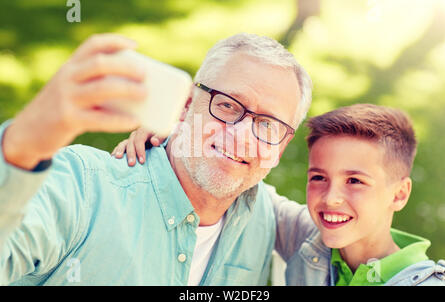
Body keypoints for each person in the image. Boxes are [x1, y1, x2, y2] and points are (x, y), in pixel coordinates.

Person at [0, 32, 313, 285]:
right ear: (187, 104)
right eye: (228, 105)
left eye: (267, 125)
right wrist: (25, 144)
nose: (243, 135)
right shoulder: (83, 188)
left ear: (281, 147)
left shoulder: (264, 216)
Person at [115, 104, 445, 286]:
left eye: (355, 181)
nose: (330, 198)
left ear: (400, 194)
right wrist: (185, 140)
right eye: (318, 177)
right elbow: (241, 185)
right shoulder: (312, 239)